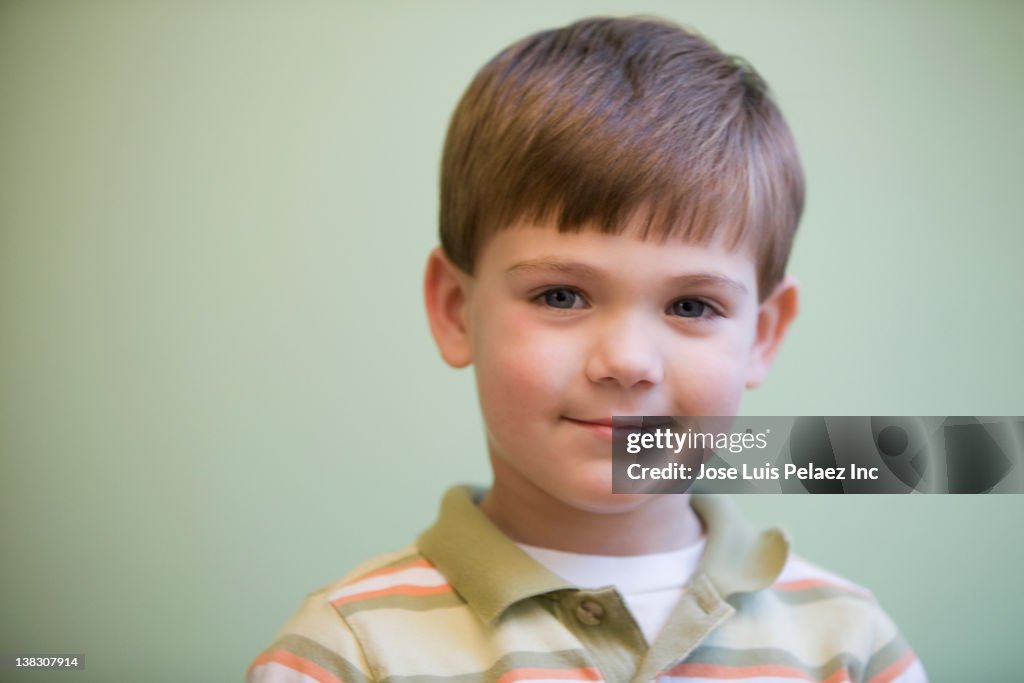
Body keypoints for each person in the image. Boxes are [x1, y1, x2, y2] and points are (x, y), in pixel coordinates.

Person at [248, 16, 927, 682]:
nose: (628, 362)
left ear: (764, 334)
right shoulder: (349, 651)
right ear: (457, 310)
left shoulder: (851, 644)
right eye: (561, 296)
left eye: (691, 305)